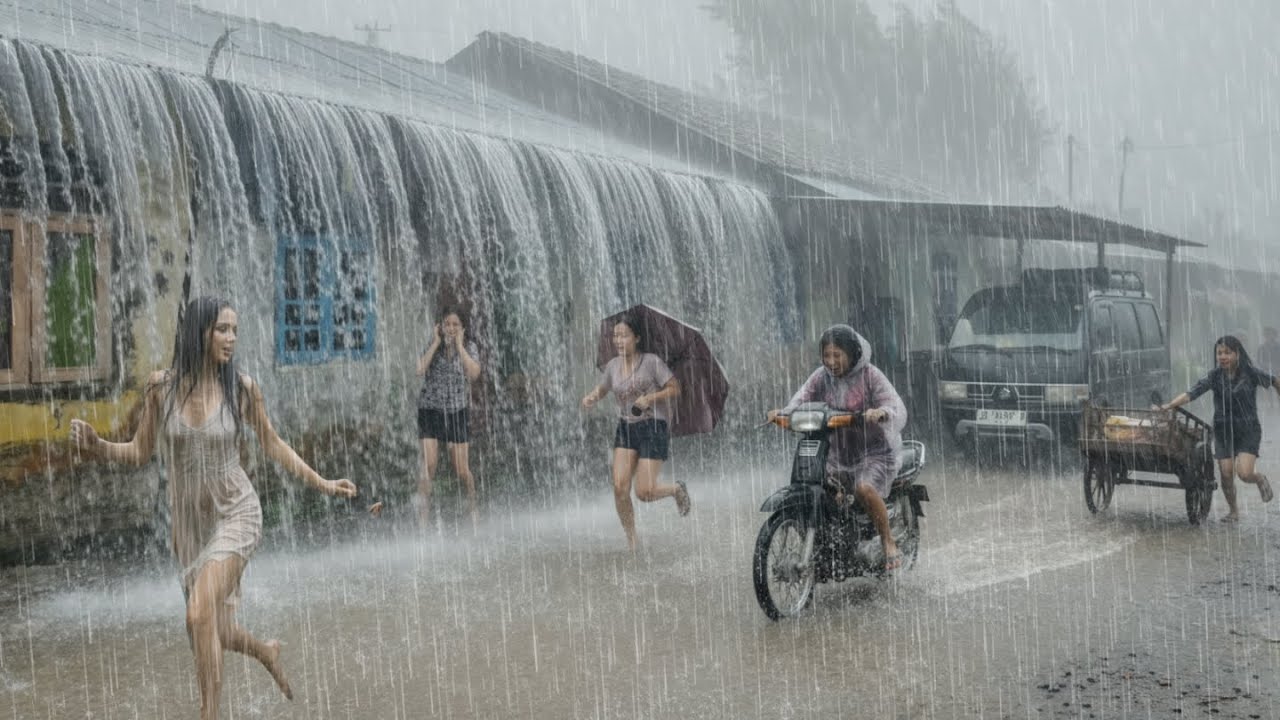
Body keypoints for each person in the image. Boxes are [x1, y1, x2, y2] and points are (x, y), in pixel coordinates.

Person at [68, 296, 358, 720]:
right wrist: (97, 446)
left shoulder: (242, 389)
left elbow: (273, 445)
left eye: (235, 331)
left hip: (236, 512)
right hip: (189, 526)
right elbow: (139, 451)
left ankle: (209, 714)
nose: (231, 338)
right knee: (208, 626)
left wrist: (324, 483)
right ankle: (265, 651)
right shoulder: (160, 388)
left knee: (199, 611)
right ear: (199, 332)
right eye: (222, 329)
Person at [767, 324, 908, 571]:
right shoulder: (821, 376)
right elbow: (800, 399)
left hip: (873, 452)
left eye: (836, 355)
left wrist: (881, 412)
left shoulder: (870, 376)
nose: (830, 361)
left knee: (863, 488)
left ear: (851, 353)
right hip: (836, 451)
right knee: (818, 486)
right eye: (826, 355)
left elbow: (894, 405)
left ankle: (887, 541)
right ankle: (834, 540)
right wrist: (783, 413)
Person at [581, 314, 691, 551]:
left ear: (637, 338)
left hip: (653, 427)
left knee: (644, 492)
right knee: (620, 488)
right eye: (616, 336)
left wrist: (650, 397)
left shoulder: (651, 362)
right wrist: (593, 396)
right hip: (626, 427)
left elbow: (675, 388)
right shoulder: (613, 366)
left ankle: (675, 489)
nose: (618, 341)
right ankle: (632, 540)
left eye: (624, 336)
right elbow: (604, 388)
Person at [1157, 335, 1280, 521]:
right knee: (1226, 474)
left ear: (1237, 354)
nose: (1223, 357)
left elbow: (1275, 381)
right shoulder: (1214, 376)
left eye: (1227, 353)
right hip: (1223, 430)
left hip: (1248, 430)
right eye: (1219, 353)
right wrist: (1170, 405)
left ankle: (1259, 478)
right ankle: (1234, 511)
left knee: (1244, 473)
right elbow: (1192, 393)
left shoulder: (1250, 373)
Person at [413, 307, 481, 528]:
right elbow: (419, 369)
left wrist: (460, 346)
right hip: (430, 410)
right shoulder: (434, 346)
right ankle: (423, 519)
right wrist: (434, 343)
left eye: (455, 324)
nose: (450, 328)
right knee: (429, 465)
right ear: (440, 327)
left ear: (462, 328)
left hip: (456, 411)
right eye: (447, 324)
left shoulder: (470, 347)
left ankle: (473, 508)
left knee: (461, 469)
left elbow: (474, 374)